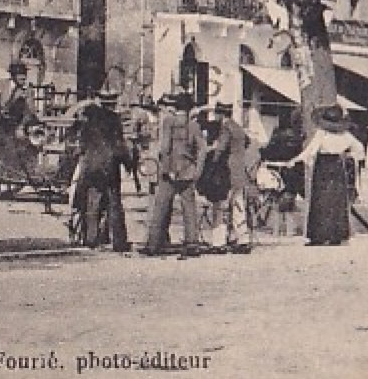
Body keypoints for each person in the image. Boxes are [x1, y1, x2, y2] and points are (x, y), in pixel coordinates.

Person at [69, 90, 134, 252]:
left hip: (90, 166)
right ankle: (119, 242)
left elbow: (81, 144)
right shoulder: (114, 120)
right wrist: (128, 163)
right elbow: (119, 145)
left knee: (93, 201)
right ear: (112, 103)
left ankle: (91, 238)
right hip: (108, 166)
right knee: (114, 203)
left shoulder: (88, 119)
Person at [142, 92, 204, 256]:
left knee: (161, 207)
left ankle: (154, 245)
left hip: (169, 171)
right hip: (187, 170)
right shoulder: (194, 126)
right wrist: (197, 170)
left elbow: (164, 148)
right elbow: (202, 149)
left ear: (175, 107)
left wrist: (165, 167)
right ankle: (192, 244)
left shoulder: (168, 122)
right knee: (189, 209)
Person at [295, 105, 365, 246]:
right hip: (338, 165)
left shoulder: (322, 133)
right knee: (337, 200)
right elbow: (360, 149)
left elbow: (311, 150)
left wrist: (297, 159)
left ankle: (319, 236)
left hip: (323, 165)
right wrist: (349, 155)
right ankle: (336, 235)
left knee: (320, 200)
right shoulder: (346, 135)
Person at [204, 102, 254, 254]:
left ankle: (219, 242)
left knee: (221, 205)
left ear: (220, 114)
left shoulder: (226, 127)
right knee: (238, 204)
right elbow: (248, 141)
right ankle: (243, 239)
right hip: (240, 169)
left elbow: (220, 149)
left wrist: (212, 158)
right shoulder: (238, 127)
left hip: (228, 170)